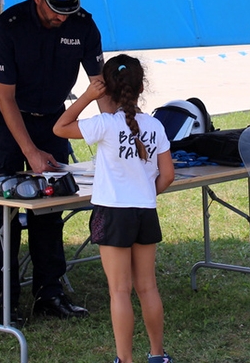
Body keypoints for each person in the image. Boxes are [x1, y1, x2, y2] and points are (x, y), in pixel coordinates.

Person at [0, 0, 108, 325]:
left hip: (54, 119)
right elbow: (5, 98)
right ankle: (5, 299)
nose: (62, 19)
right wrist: (30, 153)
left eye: (69, 11)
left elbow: (100, 86)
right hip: (10, 122)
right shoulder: (9, 26)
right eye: (56, 11)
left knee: (51, 210)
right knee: (3, 211)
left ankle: (49, 294)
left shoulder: (83, 24)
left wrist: (118, 134)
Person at [54, 54, 175, 363]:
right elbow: (168, 174)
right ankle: (157, 355)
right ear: (141, 86)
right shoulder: (155, 125)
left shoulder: (105, 125)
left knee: (119, 291)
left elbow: (60, 127)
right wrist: (147, 192)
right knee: (147, 288)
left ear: (105, 88)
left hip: (113, 212)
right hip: (145, 211)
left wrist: (86, 96)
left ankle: (125, 359)